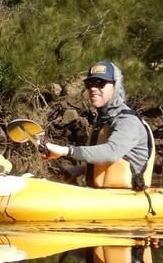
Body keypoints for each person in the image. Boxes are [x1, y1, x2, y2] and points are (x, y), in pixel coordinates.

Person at [41, 60, 154, 190]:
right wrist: (80, 170)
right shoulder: (103, 121)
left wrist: (65, 150)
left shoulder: (128, 121)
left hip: (128, 196)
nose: (93, 88)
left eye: (100, 83)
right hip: (103, 194)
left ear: (115, 86)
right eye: (89, 84)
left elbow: (111, 153)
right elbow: (109, 164)